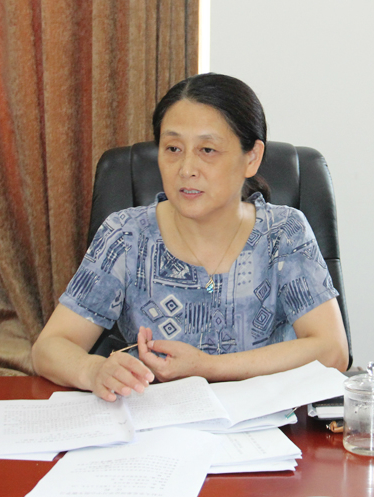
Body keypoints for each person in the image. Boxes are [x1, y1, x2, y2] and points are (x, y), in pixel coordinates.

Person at [32, 73, 349, 401]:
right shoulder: (126, 235)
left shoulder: (283, 233)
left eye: (207, 150)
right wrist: (93, 370)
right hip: (155, 424)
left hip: (265, 423)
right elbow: (49, 347)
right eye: (173, 148)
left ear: (252, 158)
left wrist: (209, 367)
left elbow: (332, 351)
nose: (186, 169)